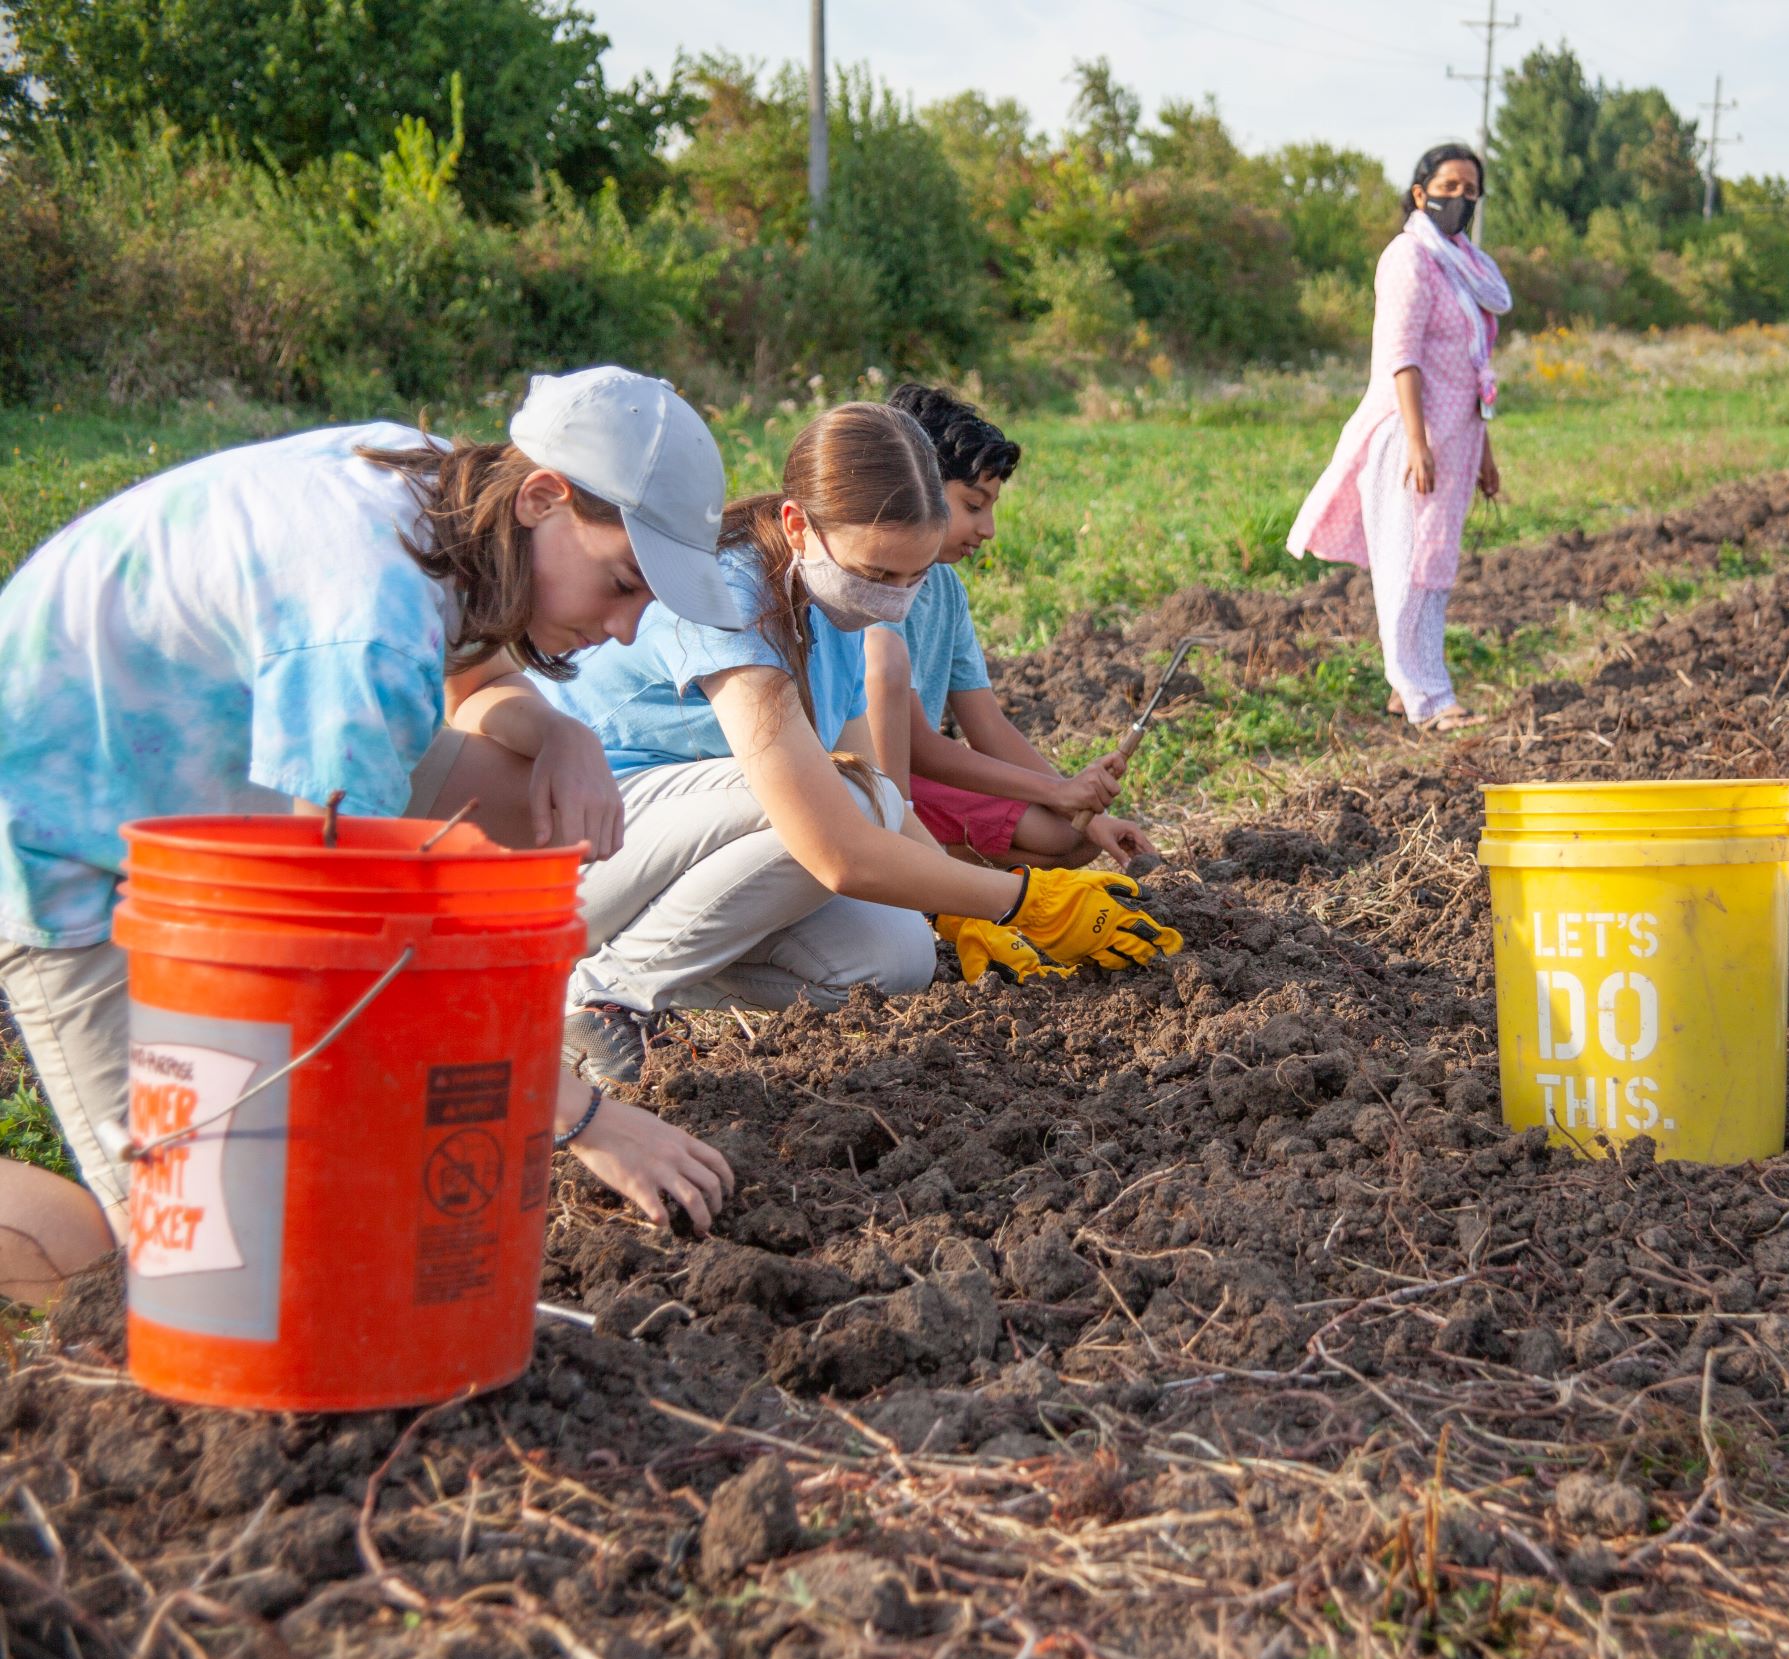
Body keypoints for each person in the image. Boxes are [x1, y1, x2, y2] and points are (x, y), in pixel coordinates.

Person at [0, 366, 745, 1300]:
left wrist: (563, 733)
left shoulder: (447, 493)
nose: (628, 631)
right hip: (65, 842)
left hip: (219, 798)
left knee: (530, 801)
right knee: (181, 1263)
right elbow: (347, 941)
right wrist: (580, 1116)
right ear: (545, 495)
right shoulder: (370, 626)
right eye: (623, 584)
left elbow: (470, 685)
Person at [539, 402, 1182, 1091]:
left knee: (899, 956)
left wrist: (955, 912)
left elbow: (881, 788)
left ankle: (648, 960)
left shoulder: (832, 607)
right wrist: (1021, 899)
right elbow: (836, 841)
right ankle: (605, 997)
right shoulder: (729, 594)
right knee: (838, 805)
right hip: (570, 849)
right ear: (799, 527)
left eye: (914, 578)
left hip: (664, 859)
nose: (895, 601)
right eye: (880, 574)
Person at [865, 384, 1155, 870]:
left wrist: (1080, 804)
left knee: (1079, 835)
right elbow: (916, 743)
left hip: (918, 779)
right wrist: (1055, 791)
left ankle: (937, 869)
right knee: (1058, 834)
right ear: (916, 487)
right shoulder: (872, 587)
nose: (989, 529)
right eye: (973, 506)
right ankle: (927, 872)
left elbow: (986, 724)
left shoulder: (946, 590)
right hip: (879, 776)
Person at [1289, 141, 1510, 733]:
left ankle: (1407, 685)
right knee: (1411, 562)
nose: (1459, 199)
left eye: (1470, 190)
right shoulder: (1409, 258)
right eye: (1448, 188)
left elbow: (1471, 361)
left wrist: (1484, 450)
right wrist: (1417, 439)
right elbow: (1402, 356)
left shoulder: (1464, 265)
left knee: (1433, 560)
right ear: (1420, 194)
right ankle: (1428, 698)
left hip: (1457, 438)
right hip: (1414, 435)